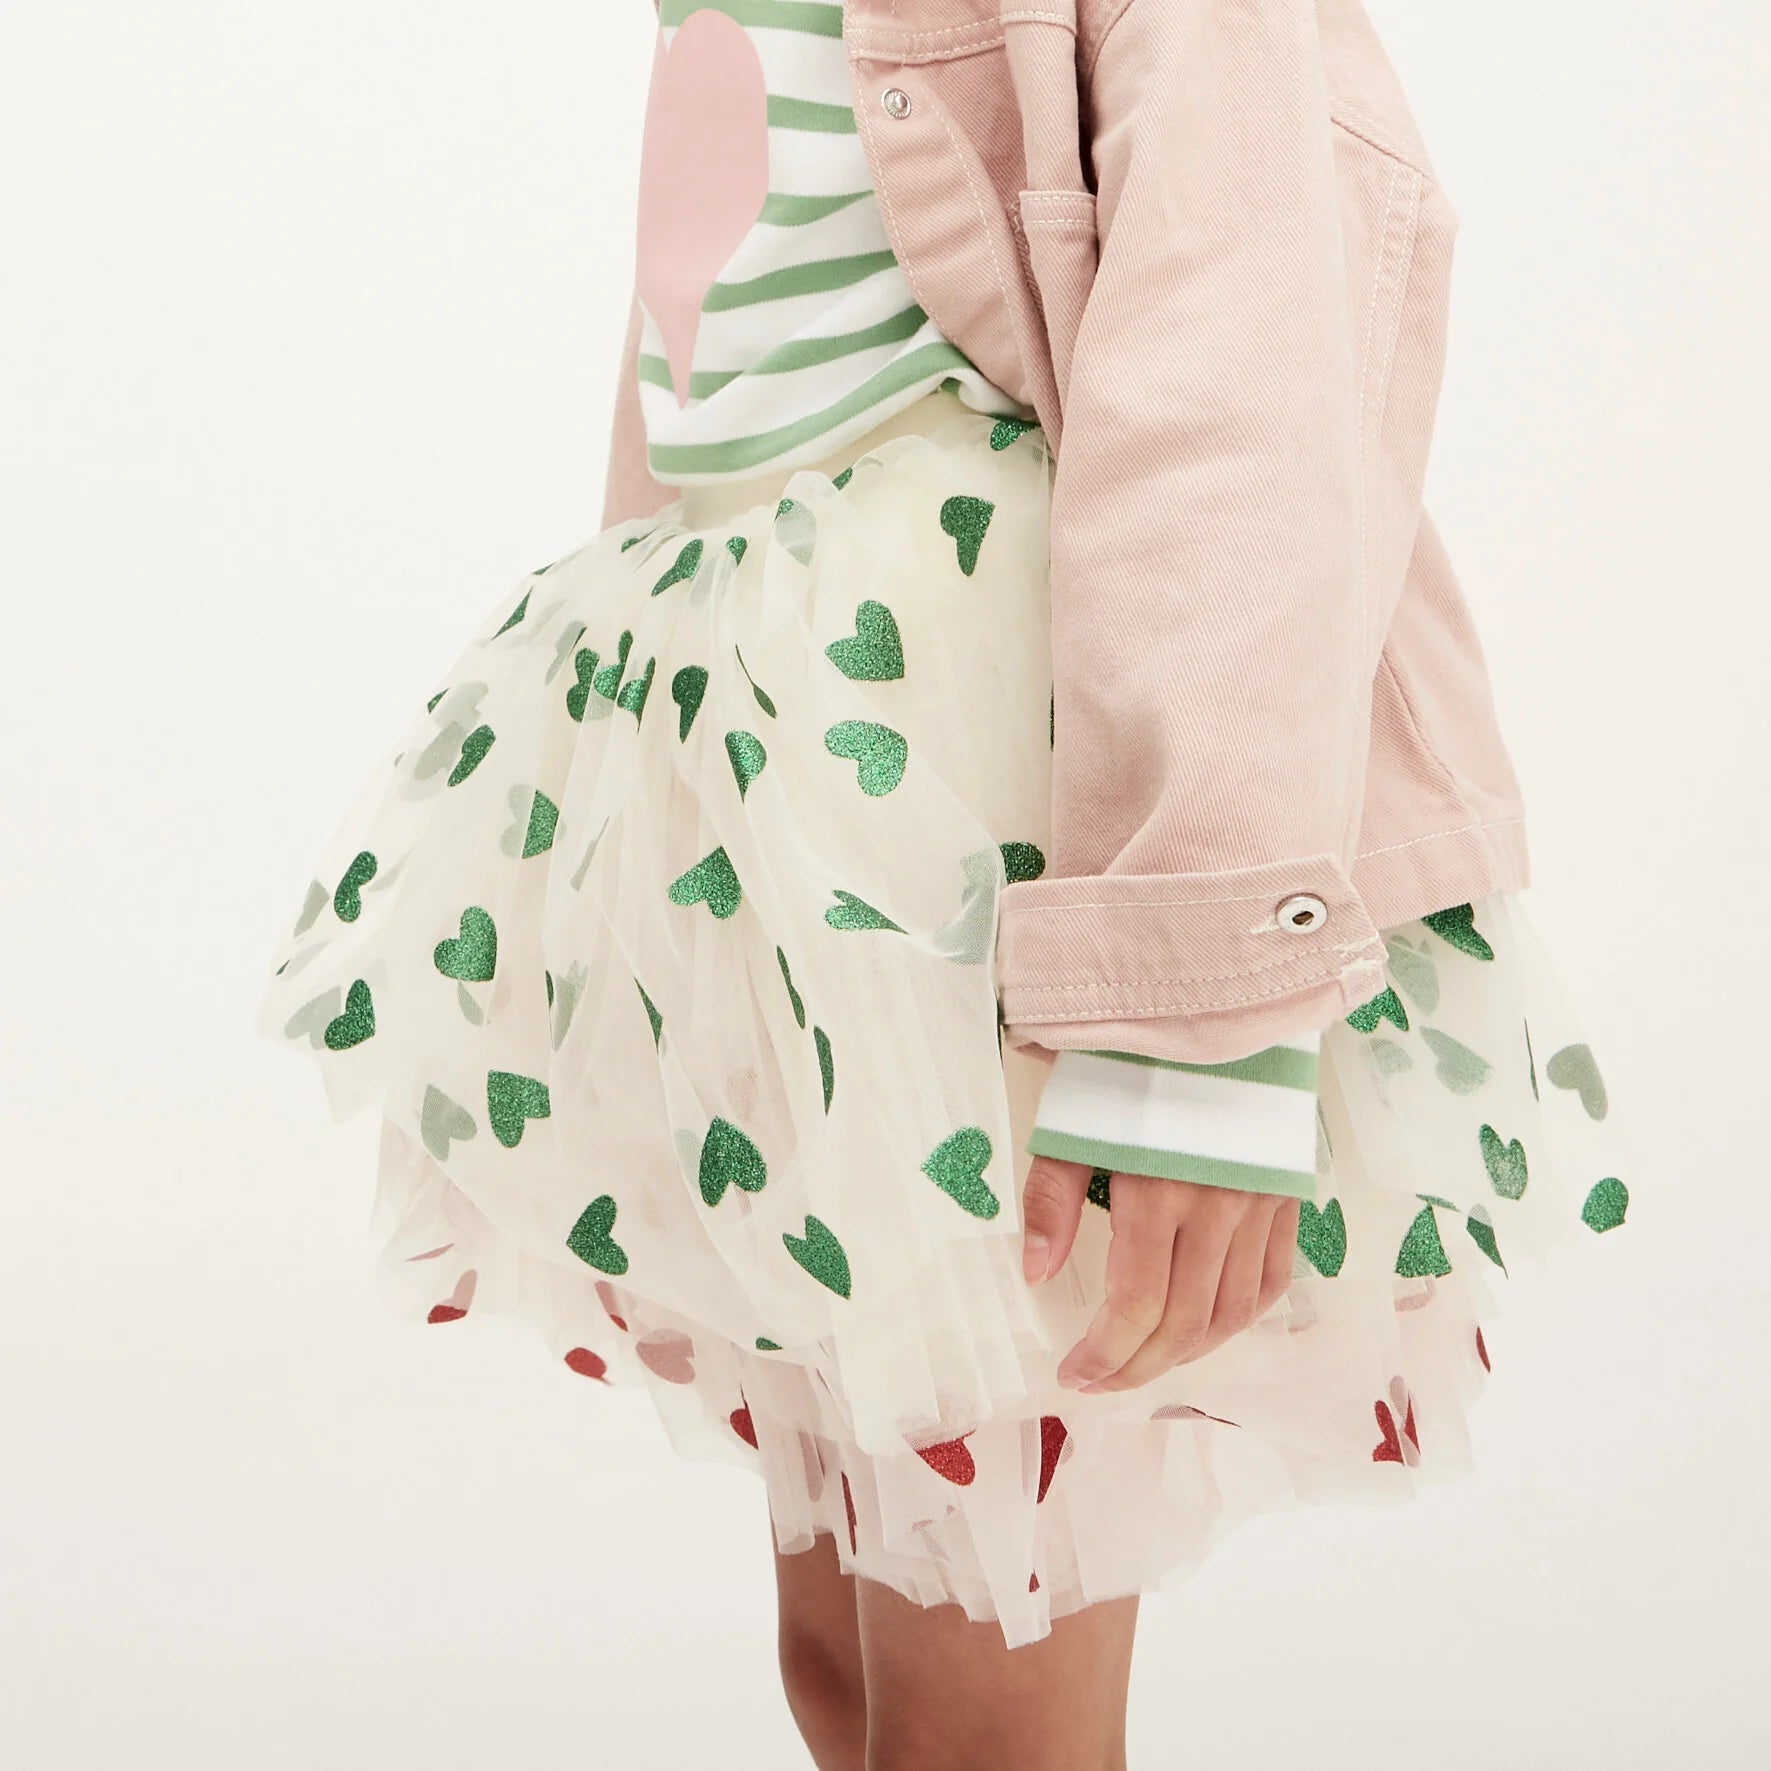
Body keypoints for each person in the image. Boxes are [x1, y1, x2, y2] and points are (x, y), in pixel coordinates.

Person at [258, 3, 1631, 1766]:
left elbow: (1249, 338)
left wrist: (1197, 1005)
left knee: (979, 1719)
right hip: (777, 785)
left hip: (989, 801)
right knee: (841, 1669)